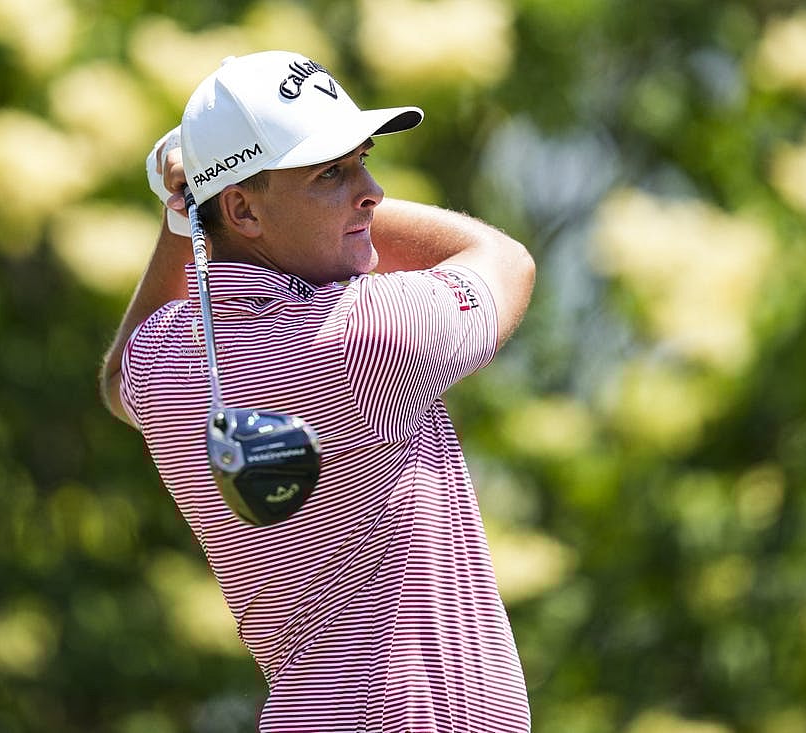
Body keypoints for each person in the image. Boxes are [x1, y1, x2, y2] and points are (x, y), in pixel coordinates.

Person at [100, 50, 536, 732]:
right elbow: (506, 261)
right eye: (332, 172)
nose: (373, 191)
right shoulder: (367, 334)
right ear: (243, 210)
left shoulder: (167, 359)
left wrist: (189, 217)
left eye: (363, 159)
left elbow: (118, 370)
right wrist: (201, 198)